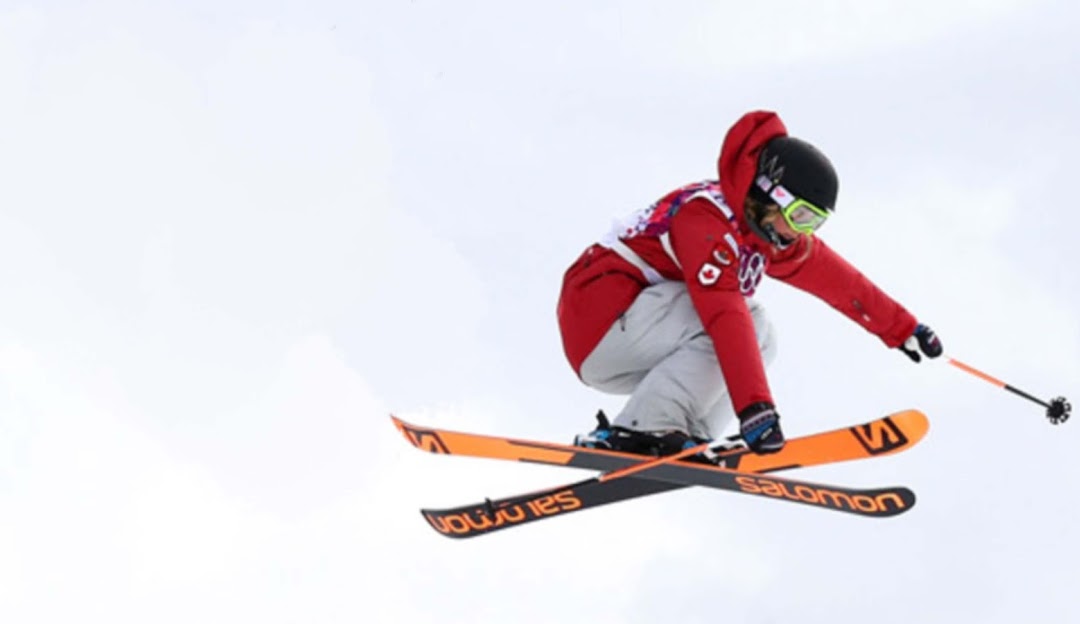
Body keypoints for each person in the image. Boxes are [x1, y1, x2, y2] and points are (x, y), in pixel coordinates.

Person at [556, 110, 943, 458]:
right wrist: (756, 408)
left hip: (636, 336)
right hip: (601, 317)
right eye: (800, 215)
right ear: (768, 194)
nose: (800, 231)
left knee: (765, 338)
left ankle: (686, 435)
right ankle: (647, 426)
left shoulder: (764, 235)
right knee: (747, 321)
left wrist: (902, 328)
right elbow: (723, 313)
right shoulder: (704, 219)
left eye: (814, 222)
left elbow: (839, 281)